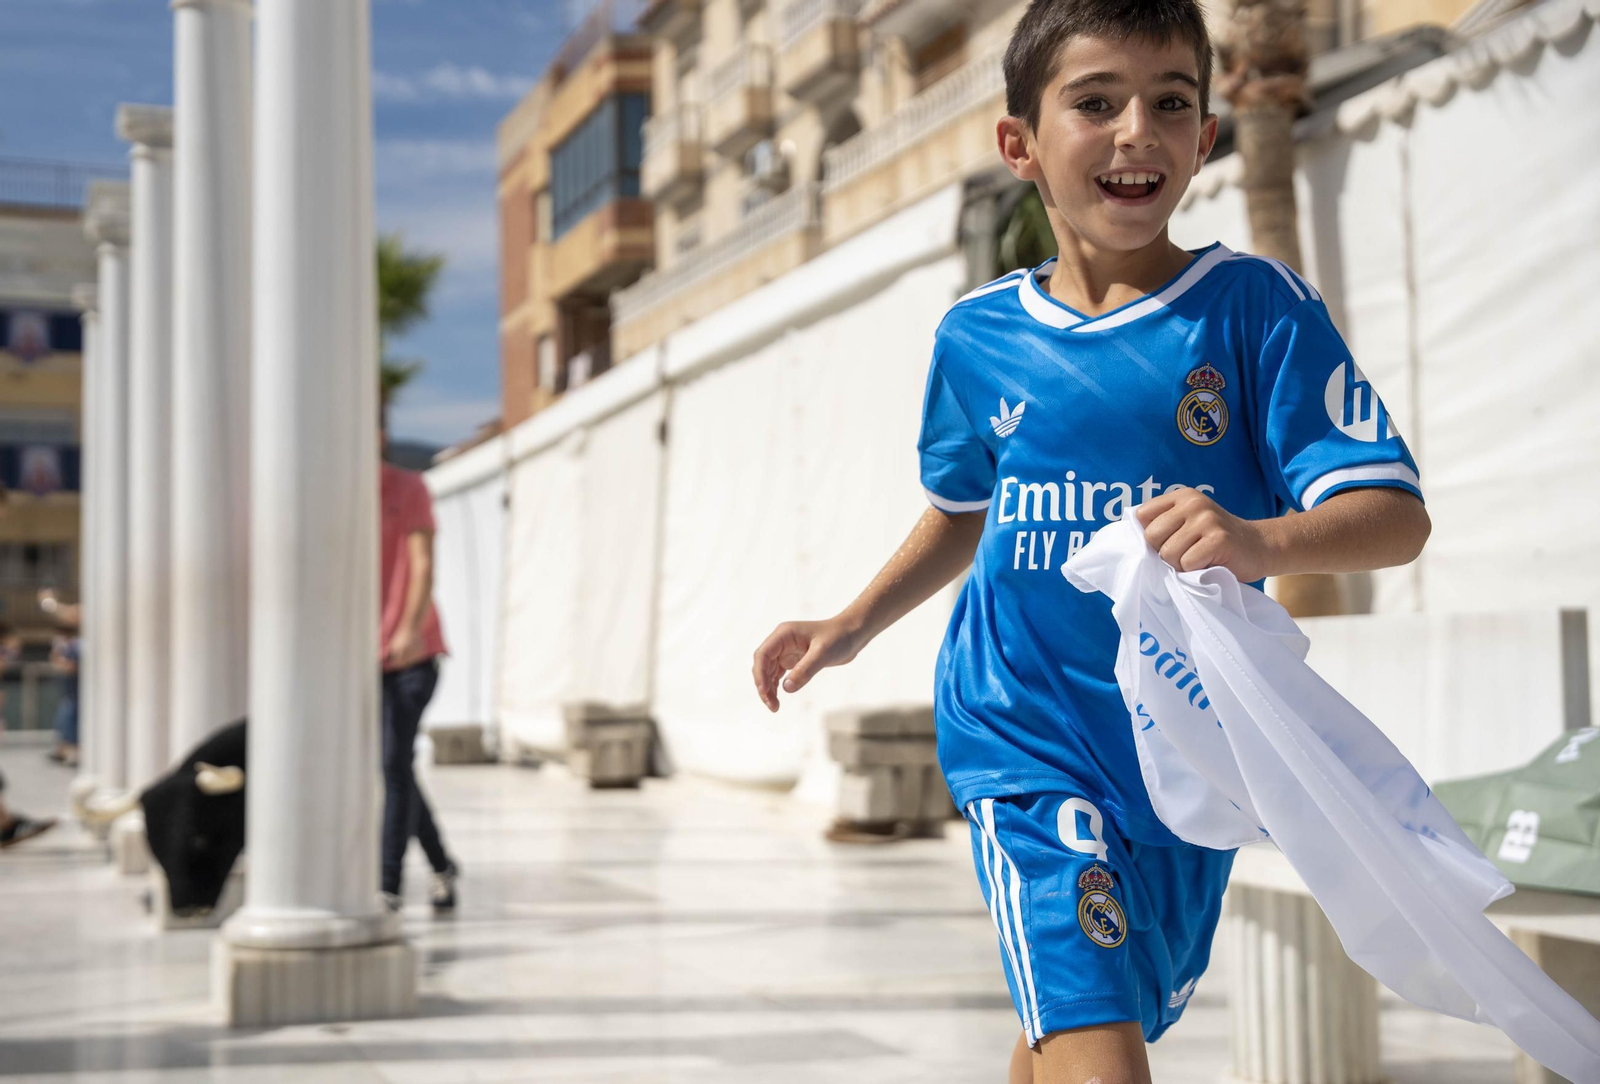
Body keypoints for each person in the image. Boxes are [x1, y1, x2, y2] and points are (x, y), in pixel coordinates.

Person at [751, 3, 1430, 1082]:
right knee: (1097, 1041)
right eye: (1096, 101)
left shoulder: (1254, 312)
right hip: (1021, 734)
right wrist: (853, 621)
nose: (1136, 132)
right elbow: (965, 509)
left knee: (1076, 1019)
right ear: (1019, 143)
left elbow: (1395, 518)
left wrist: (1259, 538)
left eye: (1170, 104)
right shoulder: (976, 336)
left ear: (1206, 139)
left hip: (1182, 756)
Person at [379, 417, 458, 914]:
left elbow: (423, 562)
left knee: (393, 762)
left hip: (414, 653)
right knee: (395, 764)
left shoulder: (407, 488)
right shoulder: (331, 493)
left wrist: (408, 627)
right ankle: (442, 864)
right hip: (363, 655)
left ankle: (385, 884)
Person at [39, 590, 80, 766]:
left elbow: (69, 613)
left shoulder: (77, 644)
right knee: (66, 719)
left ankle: (73, 752)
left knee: (70, 719)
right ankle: (66, 750)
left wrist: (49, 603)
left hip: (76, 691)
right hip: (71, 691)